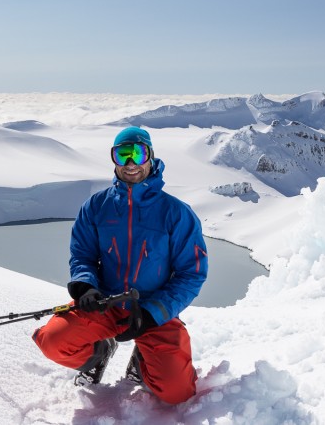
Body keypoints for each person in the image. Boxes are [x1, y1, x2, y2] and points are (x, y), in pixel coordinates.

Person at [32, 126, 208, 405]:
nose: (130, 163)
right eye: (121, 154)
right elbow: (83, 256)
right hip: (105, 303)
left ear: (150, 157)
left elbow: (191, 274)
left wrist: (152, 314)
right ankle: (98, 353)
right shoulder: (96, 206)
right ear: (113, 159)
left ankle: (143, 361)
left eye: (137, 153)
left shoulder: (176, 213)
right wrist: (86, 288)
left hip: (152, 310)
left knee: (178, 392)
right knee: (52, 342)